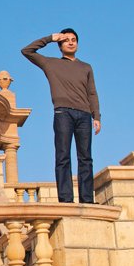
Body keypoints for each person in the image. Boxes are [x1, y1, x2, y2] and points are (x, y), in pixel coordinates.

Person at [21, 29, 101, 204]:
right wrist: (50, 38)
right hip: (63, 113)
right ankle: (66, 199)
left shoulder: (86, 67)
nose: (71, 42)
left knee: (85, 158)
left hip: (85, 115)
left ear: (77, 44)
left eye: (74, 40)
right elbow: (26, 51)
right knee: (63, 156)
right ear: (60, 45)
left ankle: (87, 199)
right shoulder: (51, 63)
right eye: (66, 40)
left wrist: (97, 116)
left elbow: (92, 93)